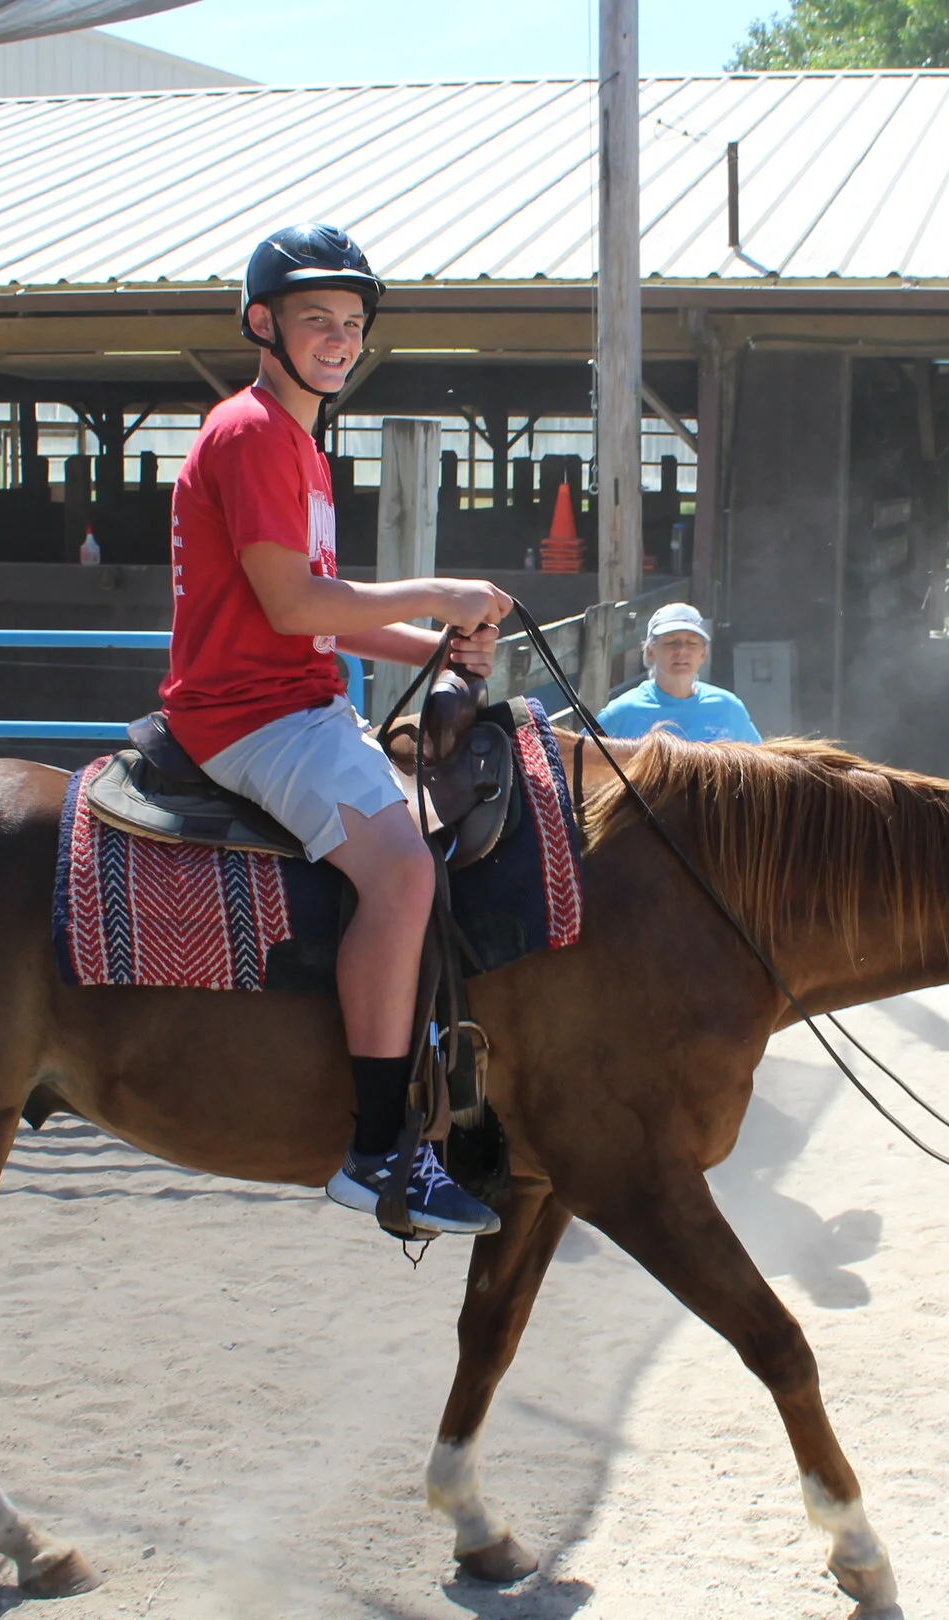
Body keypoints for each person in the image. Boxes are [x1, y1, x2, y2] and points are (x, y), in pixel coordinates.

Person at [163, 223, 513, 1237]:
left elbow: (324, 613)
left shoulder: (296, 444)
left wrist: (432, 648)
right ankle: (377, 1151)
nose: (339, 338)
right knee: (401, 872)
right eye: (316, 317)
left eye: (353, 322)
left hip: (295, 697)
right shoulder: (250, 434)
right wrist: (439, 592)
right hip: (253, 714)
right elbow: (292, 604)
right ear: (261, 323)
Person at [593, 602, 764, 743]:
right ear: (650, 652)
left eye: (692, 643)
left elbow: (761, 766)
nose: (682, 650)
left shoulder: (728, 708)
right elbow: (583, 761)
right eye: (670, 642)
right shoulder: (622, 713)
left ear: (703, 654)